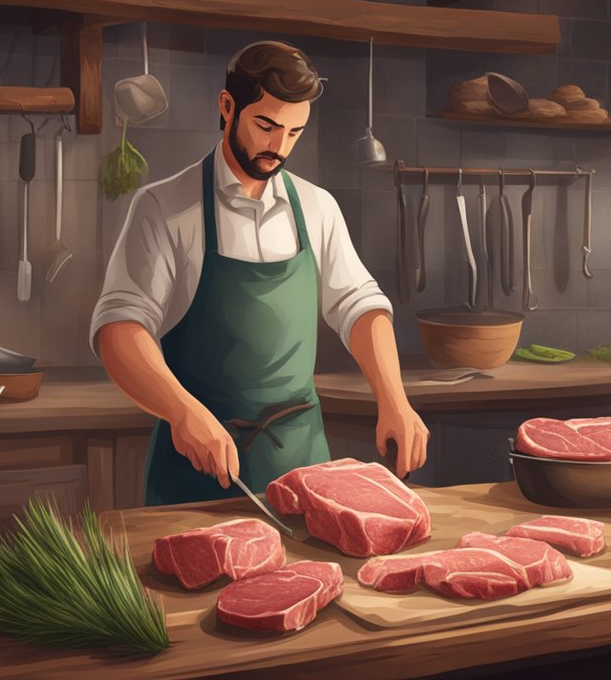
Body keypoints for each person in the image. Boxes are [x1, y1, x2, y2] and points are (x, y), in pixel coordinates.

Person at [90, 40, 428, 506]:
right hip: (198, 465)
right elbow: (120, 329)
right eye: (266, 126)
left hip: (303, 464)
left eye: (294, 132)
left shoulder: (317, 207)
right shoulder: (163, 207)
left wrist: (394, 398)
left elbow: (359, 305)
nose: (279, 147)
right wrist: (183, 412)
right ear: (228, 107)